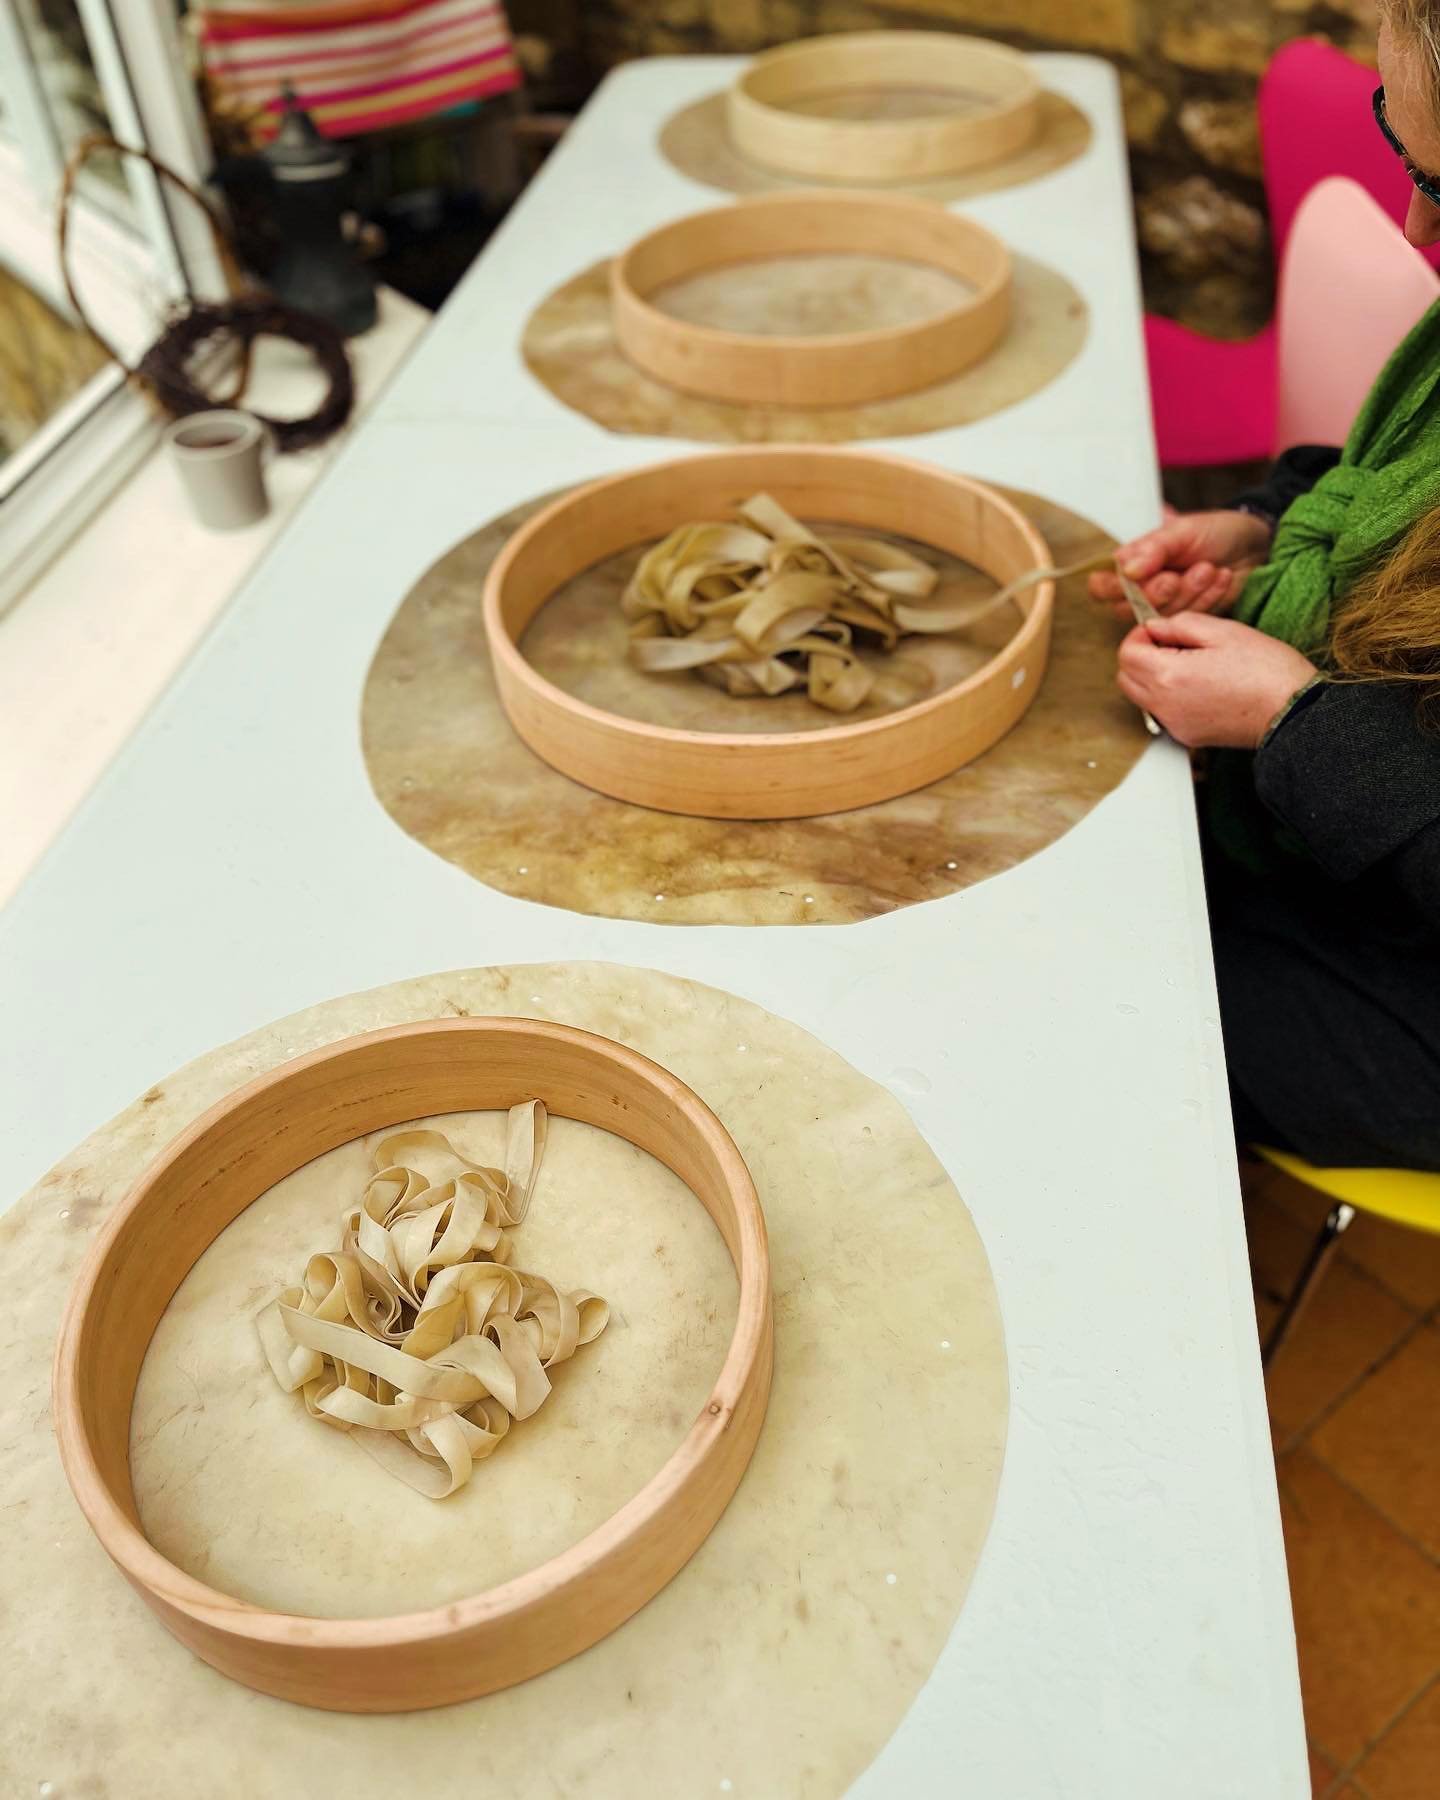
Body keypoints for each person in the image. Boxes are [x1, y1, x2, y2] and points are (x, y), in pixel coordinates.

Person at [1088, 3, 1440, 1169]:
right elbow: (1384, 491)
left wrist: (1294, 721)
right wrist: (1261, 526)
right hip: (1346, 844)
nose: (1414, 224)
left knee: (1101, 1001)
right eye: (1400, 145)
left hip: (1411, 979)